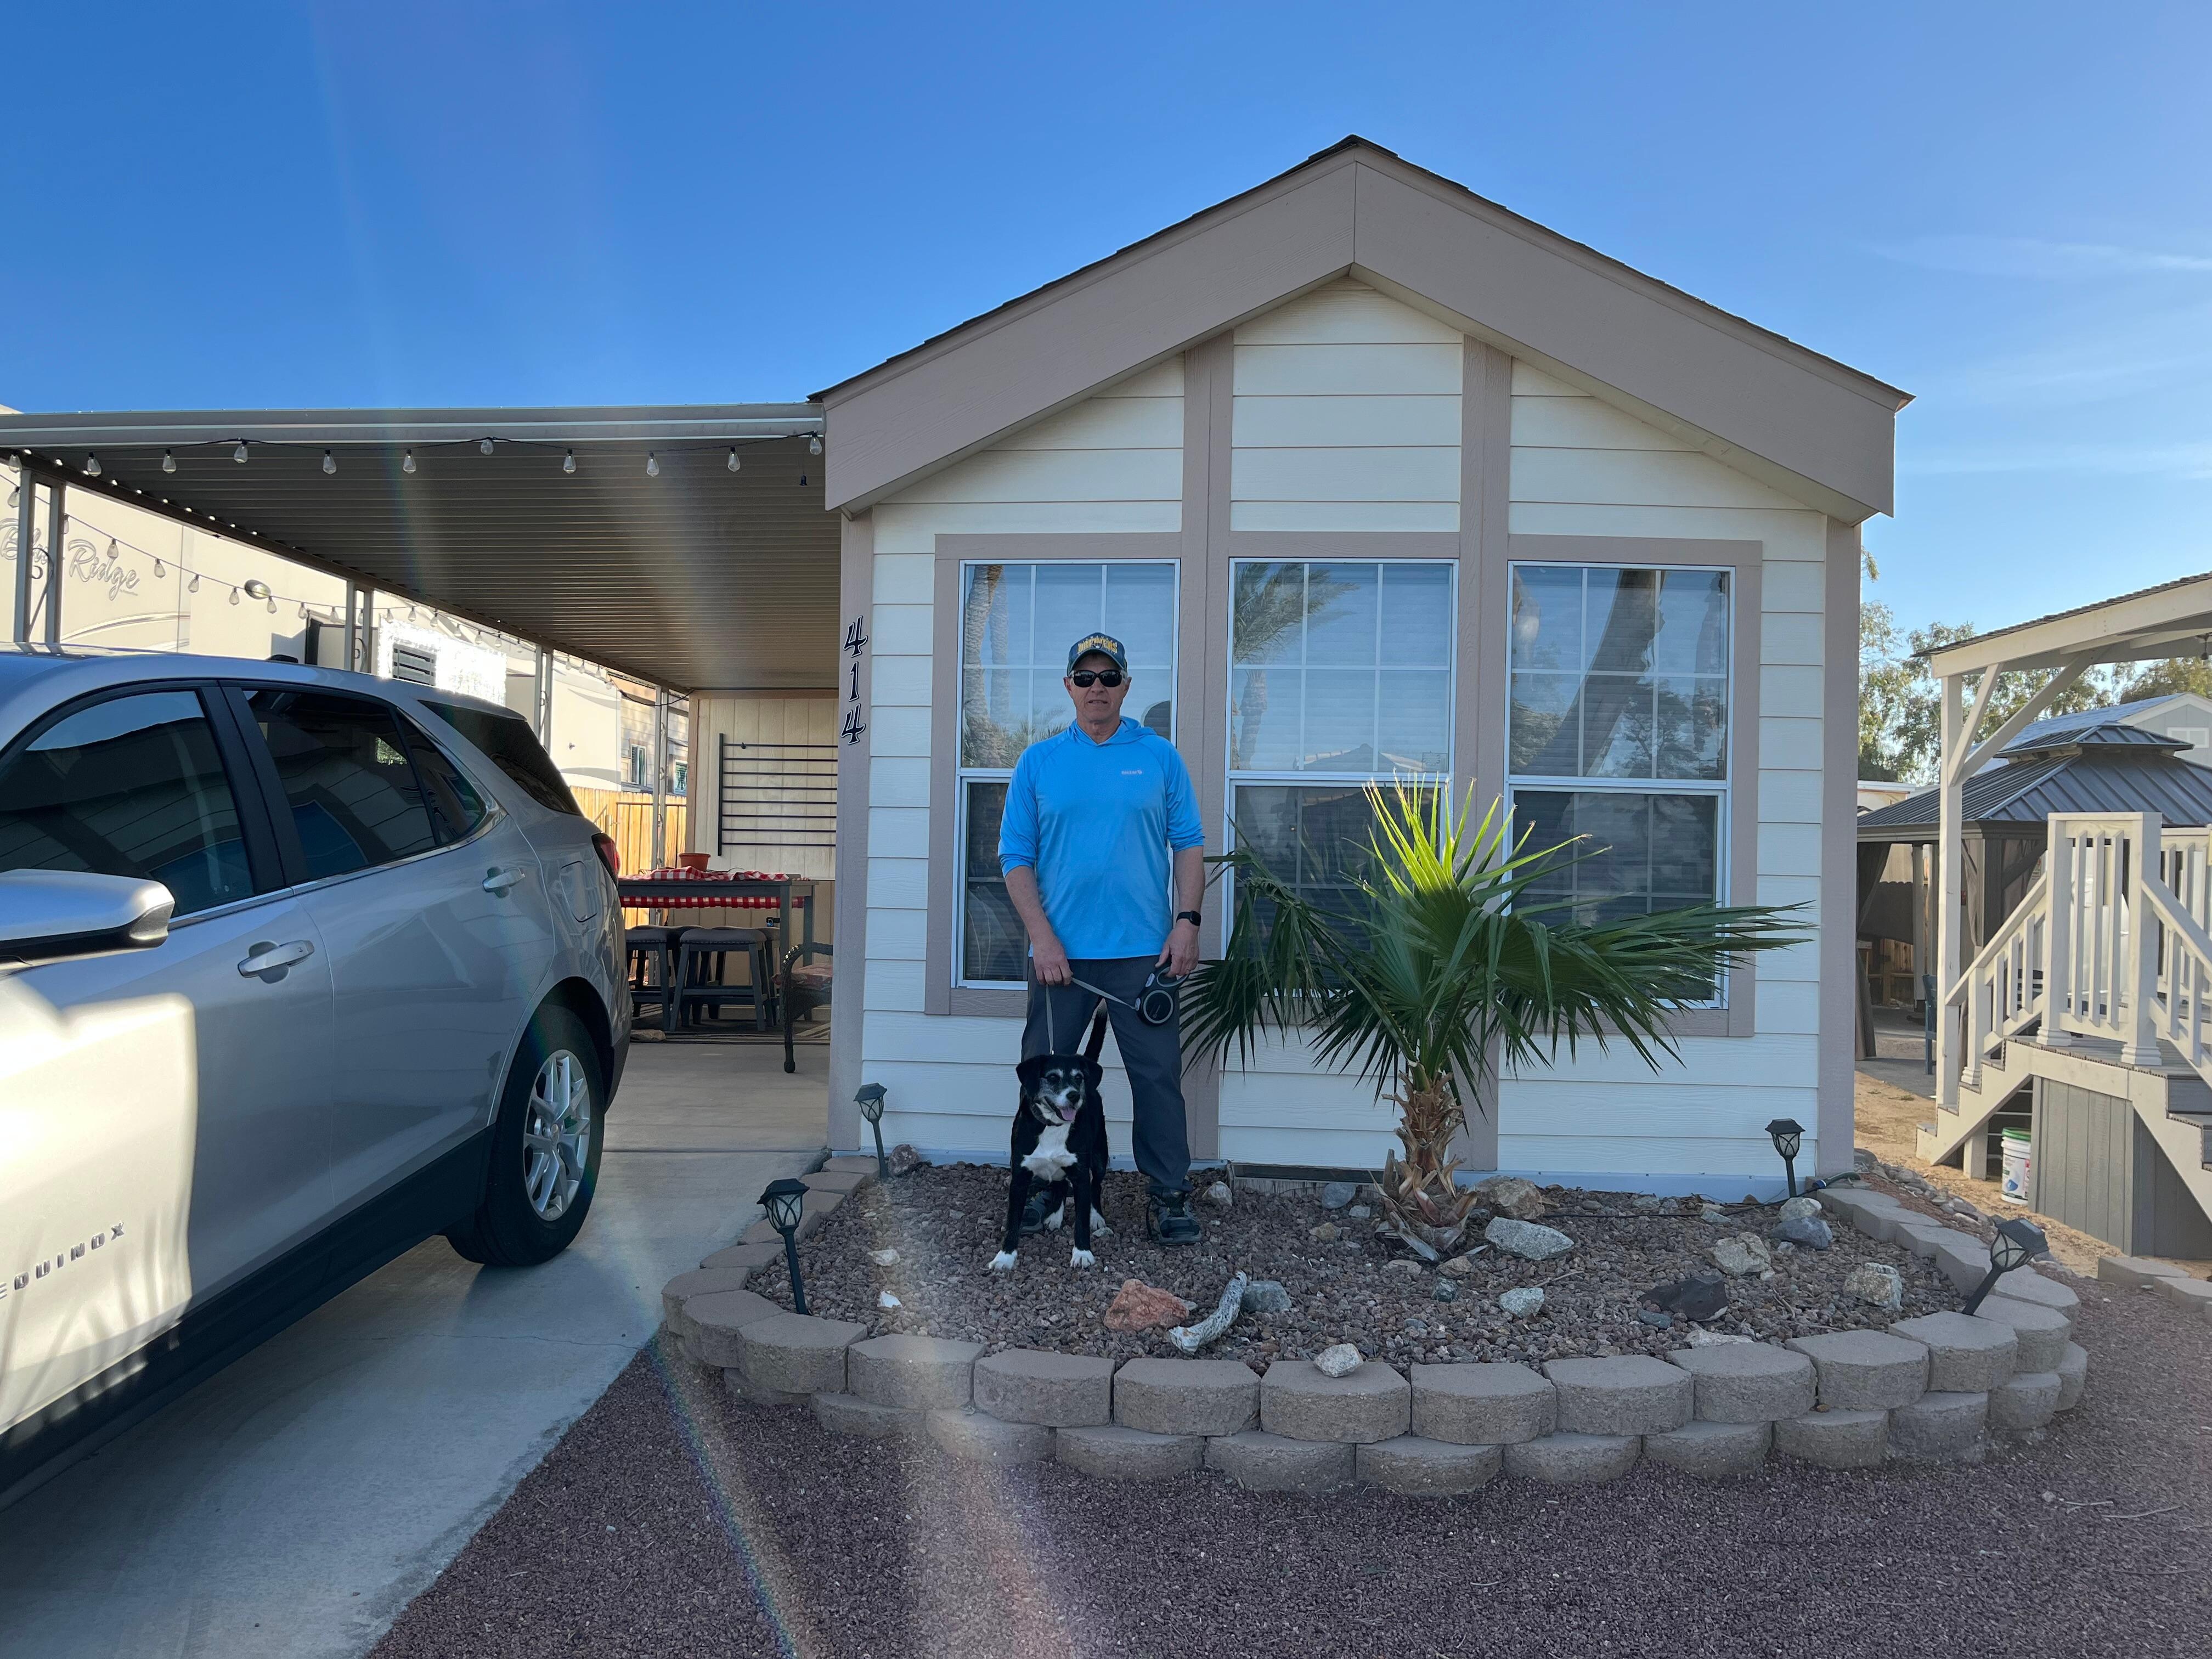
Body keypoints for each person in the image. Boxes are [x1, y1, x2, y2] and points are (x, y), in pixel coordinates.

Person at [998, 631, 1205, 1244]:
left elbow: (1189, 845)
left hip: (1145, 957)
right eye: (1085, 678)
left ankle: (1167, 1194)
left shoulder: (1159, 757)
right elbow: (1015, 857)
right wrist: (1042, 938)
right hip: (1060, 958)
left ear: (1125, 686)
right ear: (1069, 686)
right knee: (1044, 1082)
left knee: (1157, 1080)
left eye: (1109, 678)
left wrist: (1187, 923)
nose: (1097, 688)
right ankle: (1045, 1186)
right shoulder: (1039, 762)